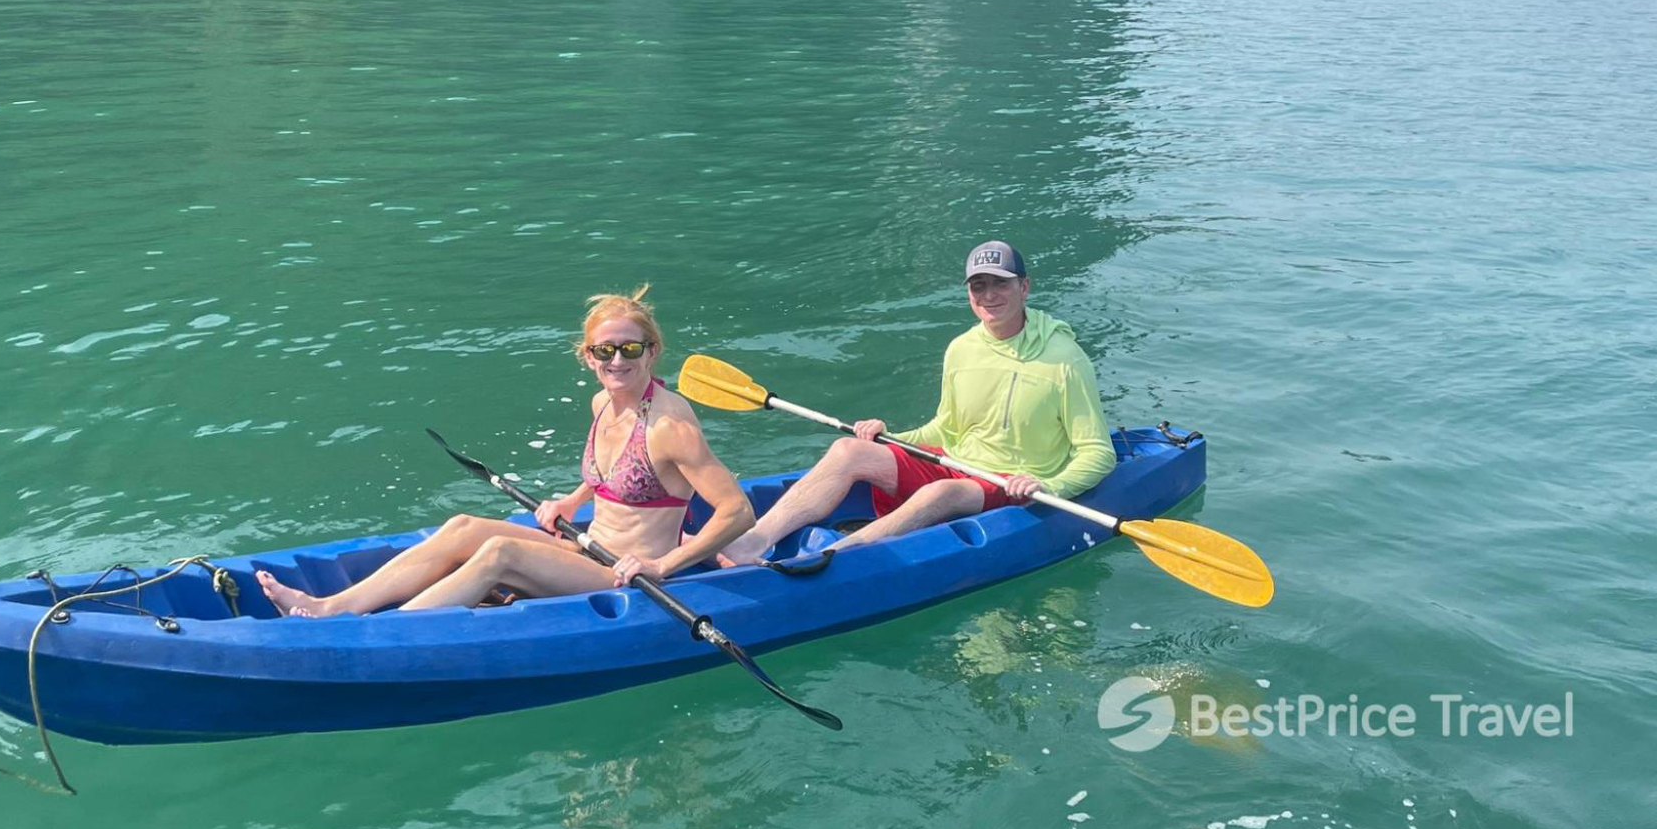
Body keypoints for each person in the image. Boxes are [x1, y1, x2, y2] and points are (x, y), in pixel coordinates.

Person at [258, 287, 753, 614]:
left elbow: (737, 511)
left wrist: (664, 566)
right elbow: (619, 474)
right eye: (604, 350)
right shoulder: (603, 401)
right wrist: (573, 501)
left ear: (652, 351)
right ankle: (331, 607)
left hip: (624, 575)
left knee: (500, 550)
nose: (617, 359)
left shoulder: (670, 425)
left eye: (629, 348)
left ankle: (384, 633)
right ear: (587, 356)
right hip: (587, 545)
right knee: (463, 528)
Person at [719, 241, 1114, 562]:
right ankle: (751, 542)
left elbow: (1098, 452)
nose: (989, 295)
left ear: (1024, 287)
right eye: (979, 286)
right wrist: (887, 436)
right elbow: (947, 428)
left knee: (939, 495)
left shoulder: (1064, 359)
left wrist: (1048, 485)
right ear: (969, 293)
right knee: (848, 450)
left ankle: (831, 558)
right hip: (957, 462)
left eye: (1001, 284)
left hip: (1007, 481)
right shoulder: (962, 349)